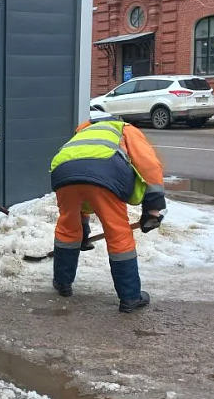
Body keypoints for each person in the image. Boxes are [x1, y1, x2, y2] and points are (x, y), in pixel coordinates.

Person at [49, 111, 167, 312]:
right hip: (106, 173)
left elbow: (82, 177)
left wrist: (82, 227)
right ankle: (130, 297)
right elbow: (149, 165)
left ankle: (62, 283)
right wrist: (153, 210)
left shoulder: (82, 132)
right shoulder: (125, 129)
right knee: (118, 233)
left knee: (68, 227)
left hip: (62, 173)